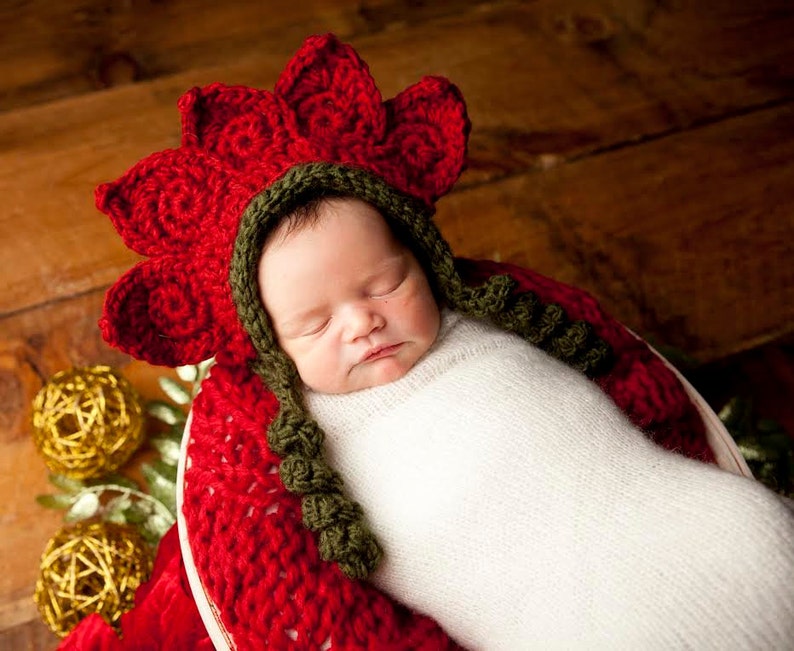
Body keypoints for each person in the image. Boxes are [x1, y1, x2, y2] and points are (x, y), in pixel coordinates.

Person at [256, 193, 794, 649]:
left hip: (662, 508)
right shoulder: (309, 435)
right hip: (546, 609)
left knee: (753, 537)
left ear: (425, 266)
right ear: (276, 351)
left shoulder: (483, 322)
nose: (361, 322)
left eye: (385, 286)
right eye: (316, 324)